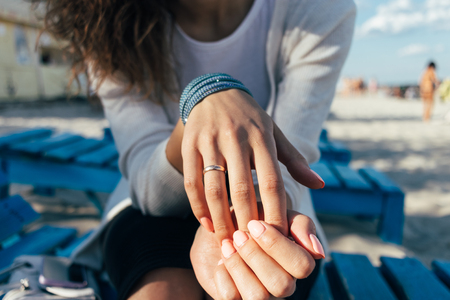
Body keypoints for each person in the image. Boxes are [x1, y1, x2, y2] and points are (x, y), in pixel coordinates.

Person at [38, 0, 356, 299]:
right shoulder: (104, 24)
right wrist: (204, 98)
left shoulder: (320, 10)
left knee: (264, 277)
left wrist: (238, 226)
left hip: (272, 211)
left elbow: (288, 168)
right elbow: (150, 188)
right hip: (147, 211)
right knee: (161, 290)